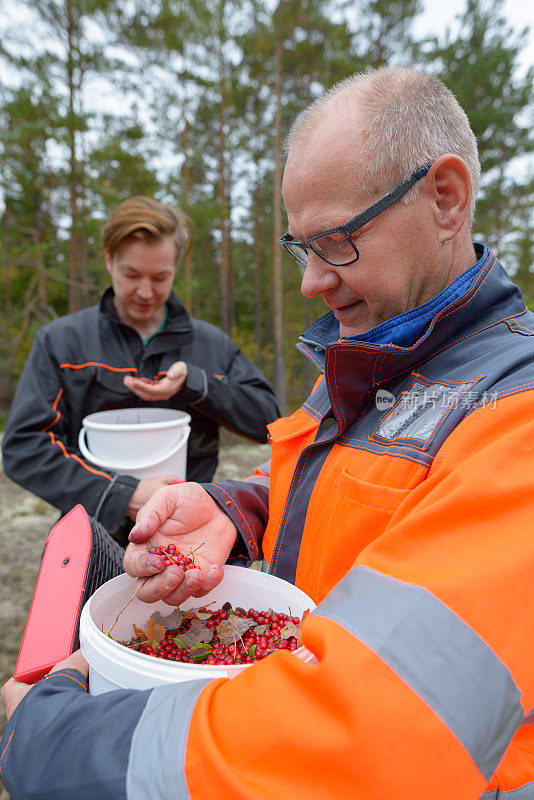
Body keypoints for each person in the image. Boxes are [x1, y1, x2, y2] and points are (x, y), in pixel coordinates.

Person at [2, 65, 534, 800]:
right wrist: (237, 513)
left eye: (336, 241)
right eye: (300, 248)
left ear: (446, 198)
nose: (312, 281)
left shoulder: (516, 416)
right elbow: (342, 490)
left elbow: (365, 739)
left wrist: (54, 741)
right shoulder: (367, 362)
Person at [1, 196, 279, 545]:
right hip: (89, 537)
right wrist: (125, 495)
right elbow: (23, 447)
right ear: (109, 260)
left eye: (160, 277)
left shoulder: (209, 344)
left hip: (186, 537)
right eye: (131, 275)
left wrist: (195, 383)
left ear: (176, 268)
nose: (146, 292)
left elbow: (269, 421)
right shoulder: (63, 342)